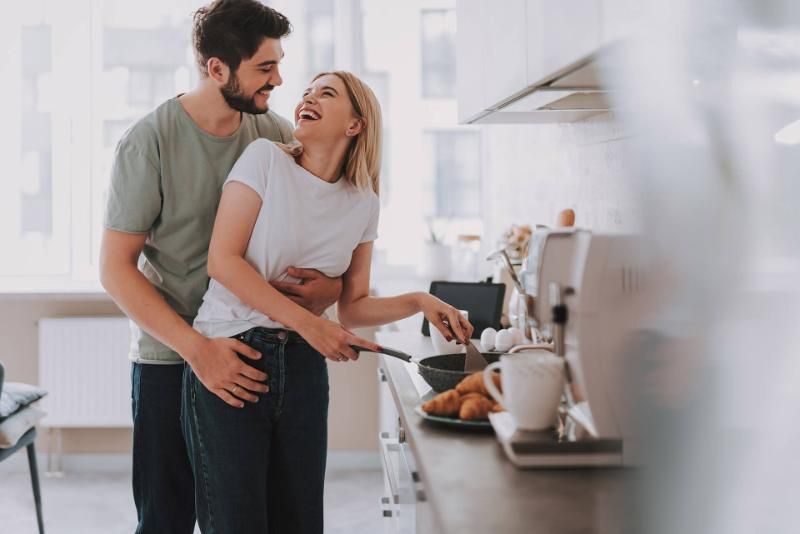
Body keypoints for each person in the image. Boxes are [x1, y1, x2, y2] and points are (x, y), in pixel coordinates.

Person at [183, 70, 474, 534]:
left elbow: (354, 306)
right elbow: (223, 261)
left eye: (326, 93)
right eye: (307, 92)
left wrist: (421, 300)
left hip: (302, 369)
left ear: (355, 124)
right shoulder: (265, 161)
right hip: (232, 354)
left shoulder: (363, 202)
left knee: (300, 521)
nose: (307, 97)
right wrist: (310, 324)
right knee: (237, 523)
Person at [99, 2, 344, 532]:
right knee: (166, 519)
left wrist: (334, 284)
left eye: (279, 64)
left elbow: (324, 220)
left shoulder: (276, 136)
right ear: (216, 69)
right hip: (170, 358)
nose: (279, 79)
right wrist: (198, 350)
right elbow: (116, 269)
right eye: (264, 68)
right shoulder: (149, 142)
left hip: (253, 355)